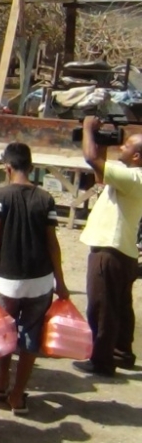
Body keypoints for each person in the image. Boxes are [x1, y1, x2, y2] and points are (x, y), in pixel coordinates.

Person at [0, 142, 69, 415]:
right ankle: (17, 395)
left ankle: (2, 383)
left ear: (7, 168)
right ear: (31, 167)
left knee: (6, 331)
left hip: (9, 280)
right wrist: (61, 282)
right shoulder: (45, 199)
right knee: (31, 335)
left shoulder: (0, 196)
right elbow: (52, 243)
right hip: (40, 280)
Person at [75, 116, 142, 376]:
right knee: (120, 306)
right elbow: (100, 175)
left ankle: (102, 361)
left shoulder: (133, 177)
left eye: (126, 146)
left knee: (101, 307)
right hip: (123, 251)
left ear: (136, 156)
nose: (121, 147)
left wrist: (88, 129)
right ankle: (121, 353)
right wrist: (101, 142)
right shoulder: (131, 177)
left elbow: (91, 159)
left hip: (109, 250)